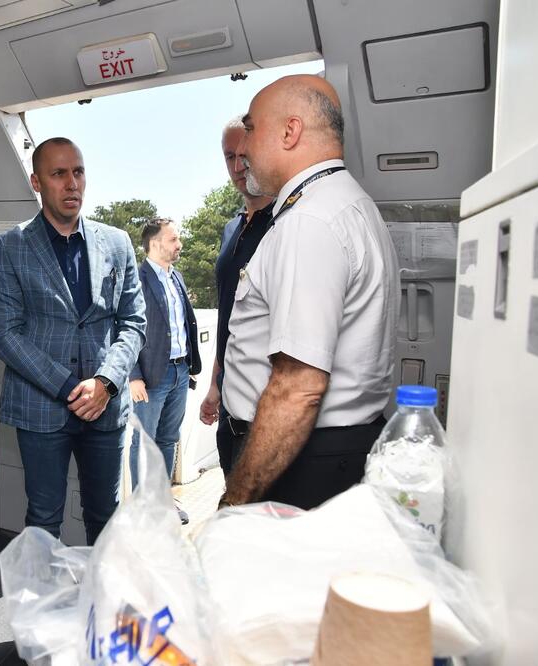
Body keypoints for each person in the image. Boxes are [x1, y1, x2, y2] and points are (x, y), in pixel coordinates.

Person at [218, 75, 400, 510]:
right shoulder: (350, 204)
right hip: (334, 450)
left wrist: (235, 501)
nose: (243, 151)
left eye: (252, 128)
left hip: (299, 463)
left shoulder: (309, 222)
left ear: (289, 131)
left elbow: (298, 388)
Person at [0, 137, 145, 546]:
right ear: (38, 182)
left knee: (106, 516)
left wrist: (106, 383)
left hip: (105, 405)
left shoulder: (116, 242)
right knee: (43, 517)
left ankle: (102, 602)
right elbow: (5, 333)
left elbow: (133, 321)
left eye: (78, 172)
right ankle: (45, 606)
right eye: (59, 174)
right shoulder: (11, 246)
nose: (72, 183)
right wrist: (68, 386)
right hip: (41, 406)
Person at [199, 117, 276, 474]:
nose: (237, 166)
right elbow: (228, 315)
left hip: (269, 410)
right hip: (231, 403)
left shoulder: (287, 222)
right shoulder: (232, 228)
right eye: (229, 157)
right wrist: (215, 385)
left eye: (244, 155)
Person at [128, 218, 201, 523]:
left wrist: (190, 365)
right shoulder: (137, 279)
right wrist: (133, 376)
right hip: (150, 377)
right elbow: (124, 326)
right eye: (173, 240)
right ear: (155, 243)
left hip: (180, 373)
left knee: (168, 438)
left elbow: (184, 322)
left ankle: (162, 502)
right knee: (143, 442)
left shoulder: (176, 278)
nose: (179, 245)